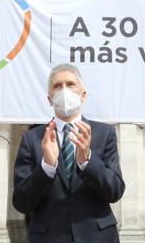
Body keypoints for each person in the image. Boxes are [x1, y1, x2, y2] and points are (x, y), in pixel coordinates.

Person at [12, 63, 125, 243]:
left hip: (98, 236)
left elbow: (115, 191)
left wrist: (88, 161)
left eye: (70, 84)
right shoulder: (32, 139)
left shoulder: (104, 134)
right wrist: (46, 167)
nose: (64, 91)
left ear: (83, 95)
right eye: (57, 86)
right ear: (49, 98)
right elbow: (21, 202)